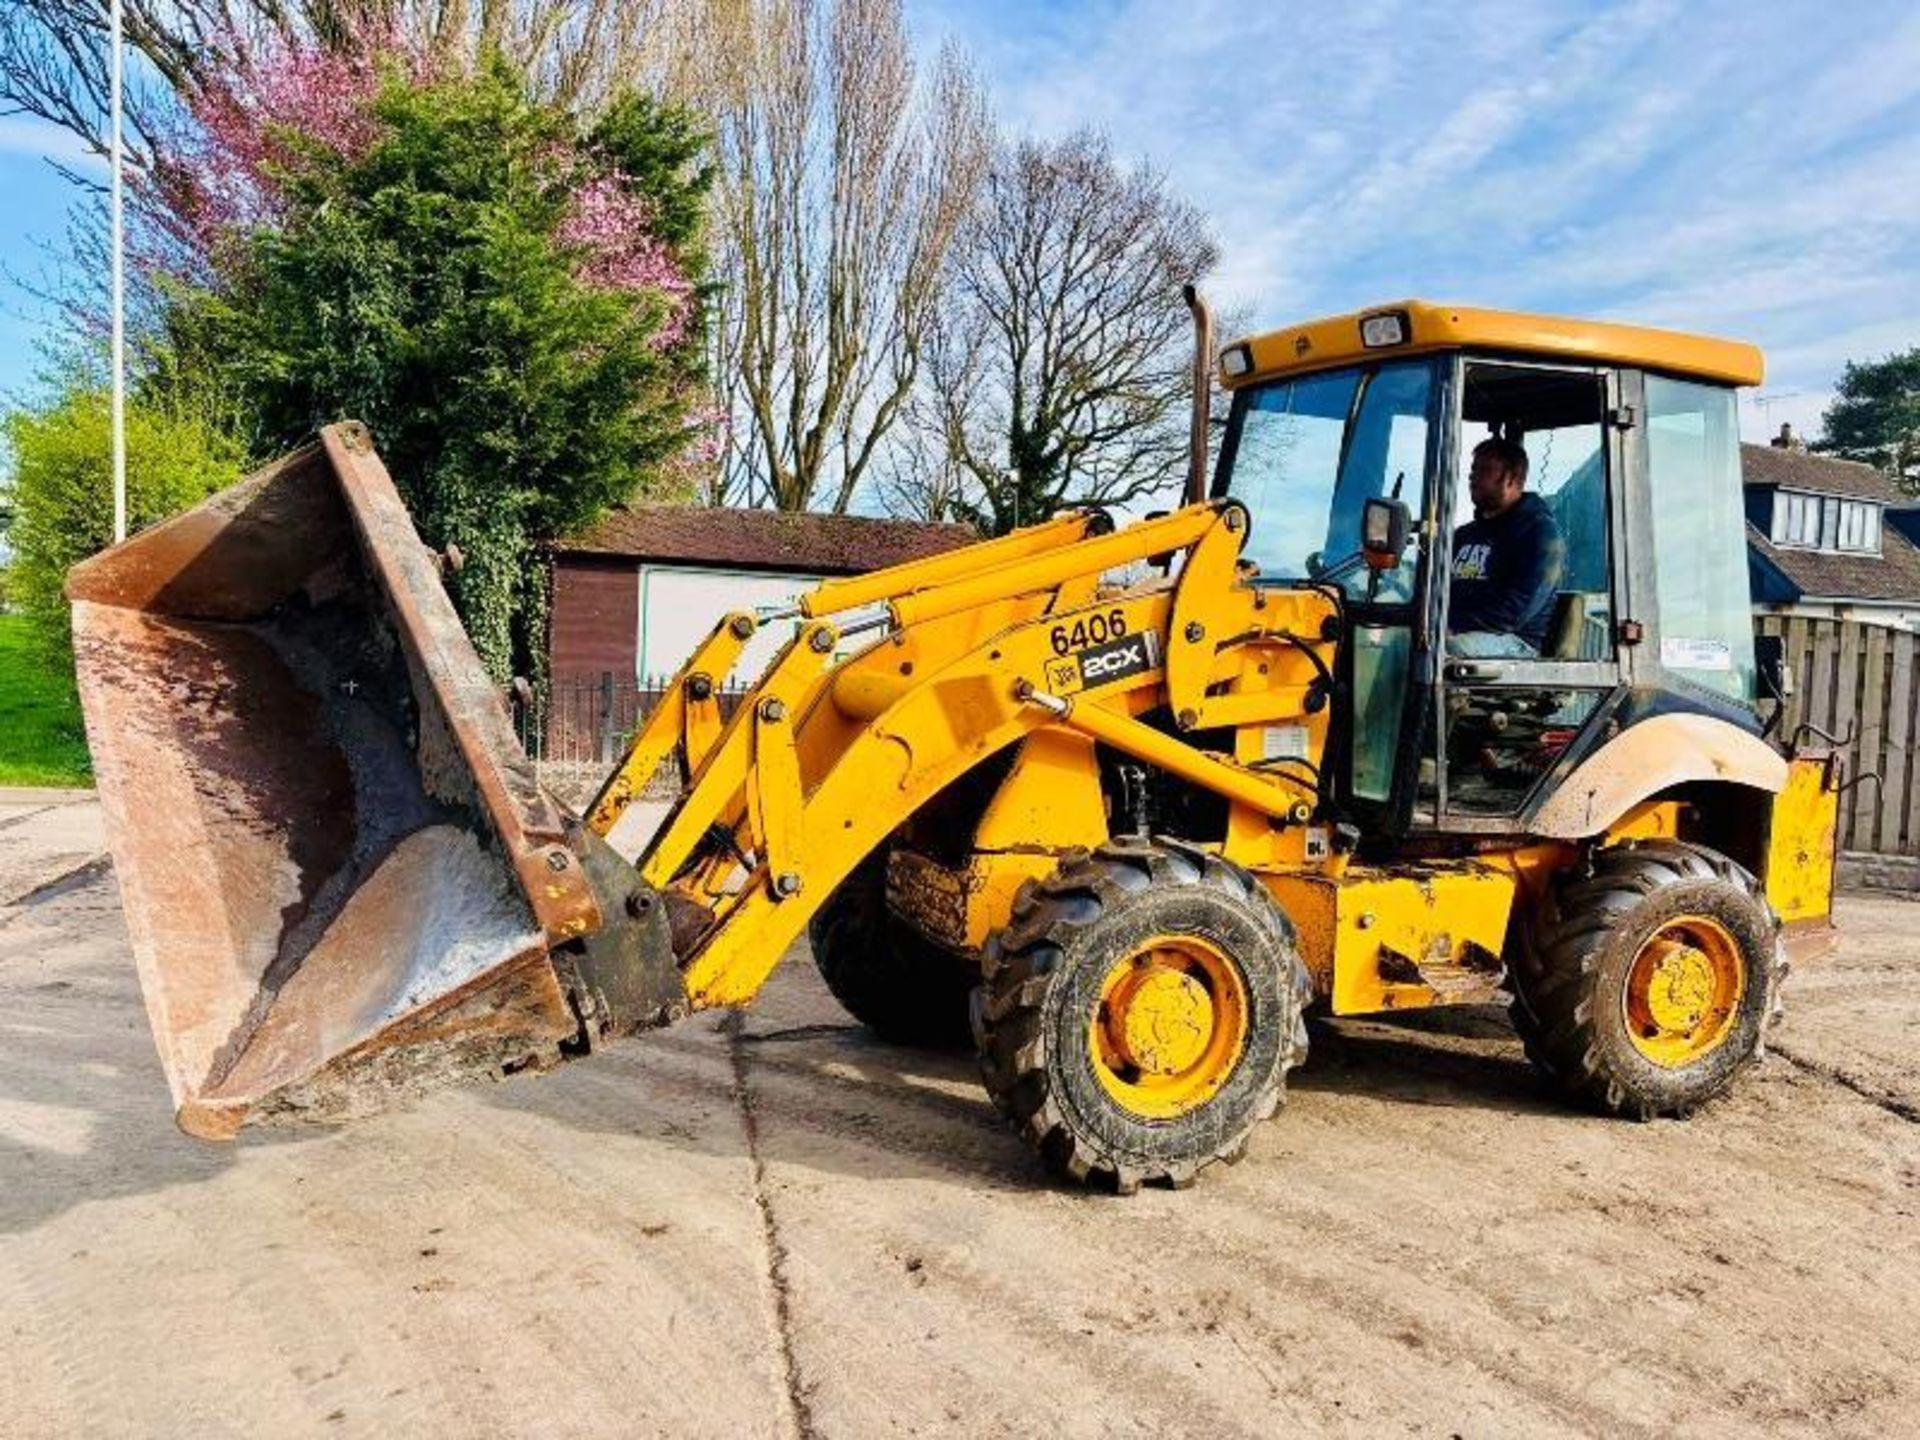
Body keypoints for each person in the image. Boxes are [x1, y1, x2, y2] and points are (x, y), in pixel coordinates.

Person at [1448, 436, 1564, 656]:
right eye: (1473, 469)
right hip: (1457, 631)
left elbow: (1516, 611)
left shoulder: (1540, 534)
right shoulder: (1463, 535)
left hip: (1514, 643)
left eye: (1485, 470)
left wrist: (1453, 625)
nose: (1473, 476)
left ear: (1511, 478)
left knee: (1442, 650)